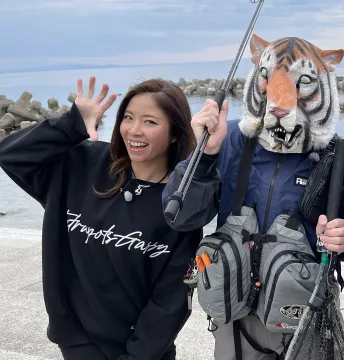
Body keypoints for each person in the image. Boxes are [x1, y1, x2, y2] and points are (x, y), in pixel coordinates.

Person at [162, 34, 344, 360]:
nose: (281, 100)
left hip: (304, 317)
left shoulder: (342, 156)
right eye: (268, 80)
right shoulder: (228, 140)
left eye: (303, 84)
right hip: (235, 317)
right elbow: (180, 216)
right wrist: (205, 156)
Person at [0, 76, 203, 360]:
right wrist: (73, 125)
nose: (134, 130)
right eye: (128, 117)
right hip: (78, 343)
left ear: (173, 133)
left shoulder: (180, 205)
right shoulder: (85, 164)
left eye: (150, 122)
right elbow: (11, 155)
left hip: (145, 353)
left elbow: (169, 303)